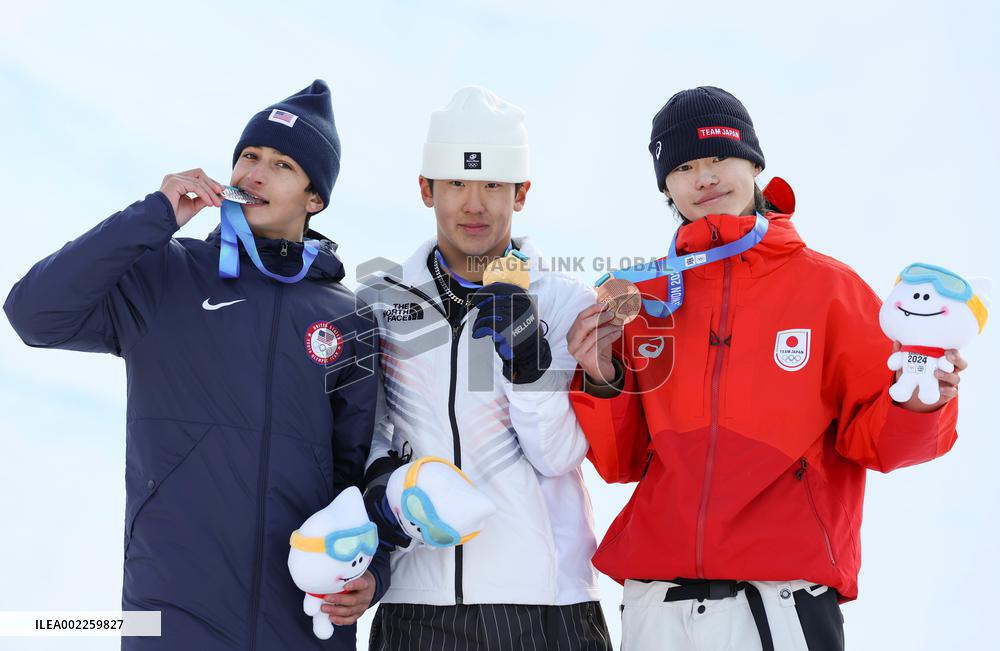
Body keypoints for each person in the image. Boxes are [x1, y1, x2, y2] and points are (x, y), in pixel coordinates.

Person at [565, 86, 966, 650]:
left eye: (718, 157)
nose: (704, 177)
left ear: (753, 163)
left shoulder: (830, 288)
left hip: (781, 599)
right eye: (683, 166)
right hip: (658, 599)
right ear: (666, 187)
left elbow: (883, 445)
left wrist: (921, 401)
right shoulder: (640, 298)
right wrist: (601, 374)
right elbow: (622, 461)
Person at [4, 80, 387, 650]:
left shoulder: (350, 317)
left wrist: (373, 573)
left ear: (314, 199)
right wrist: (155, 215)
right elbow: (34, 313)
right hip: (171, 613)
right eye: (249, 156)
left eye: (282, 165)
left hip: (302, 622)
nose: (254, 174)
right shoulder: (165, 274)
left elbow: (358, 471)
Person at [360, 86, 612, 650]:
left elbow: (560, 455)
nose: (474, 204)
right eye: (456, 183)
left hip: (545, 606)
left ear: (521, 193)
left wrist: (528, 361)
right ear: (426, 189)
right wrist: (385, 495)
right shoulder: (378, 301)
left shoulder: (564, 300)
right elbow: (368, 437)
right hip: (414, 605)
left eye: (494, 184)